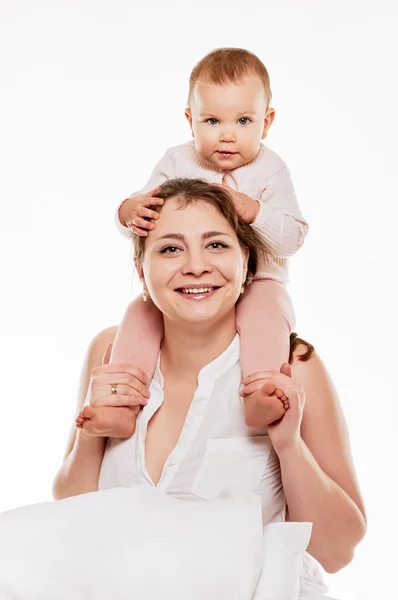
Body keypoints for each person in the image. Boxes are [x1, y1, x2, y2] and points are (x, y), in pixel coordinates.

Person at [55, 179, 367, 594]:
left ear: (247, 264)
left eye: (216, 245)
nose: (196, 265)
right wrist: (89, 432)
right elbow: (71, 516)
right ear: (141, 271)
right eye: (170, 248)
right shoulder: (109, 352)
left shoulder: (291, 368)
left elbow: (337, 552)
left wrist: (289, 446)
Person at [104, 47, 308, 437]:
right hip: (189, 286)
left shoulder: (271, 170)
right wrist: (128, 210)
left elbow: (293, 238)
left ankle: (260, 391)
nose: (227, 135)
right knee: (139, 315)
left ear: (266, 123)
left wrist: (254, 211)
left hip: (259, 280)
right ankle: (121, 402)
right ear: (190, 120)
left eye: (243, 120)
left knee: (268, 313)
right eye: (212, 120)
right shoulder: (176, 161)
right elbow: (143, 226)